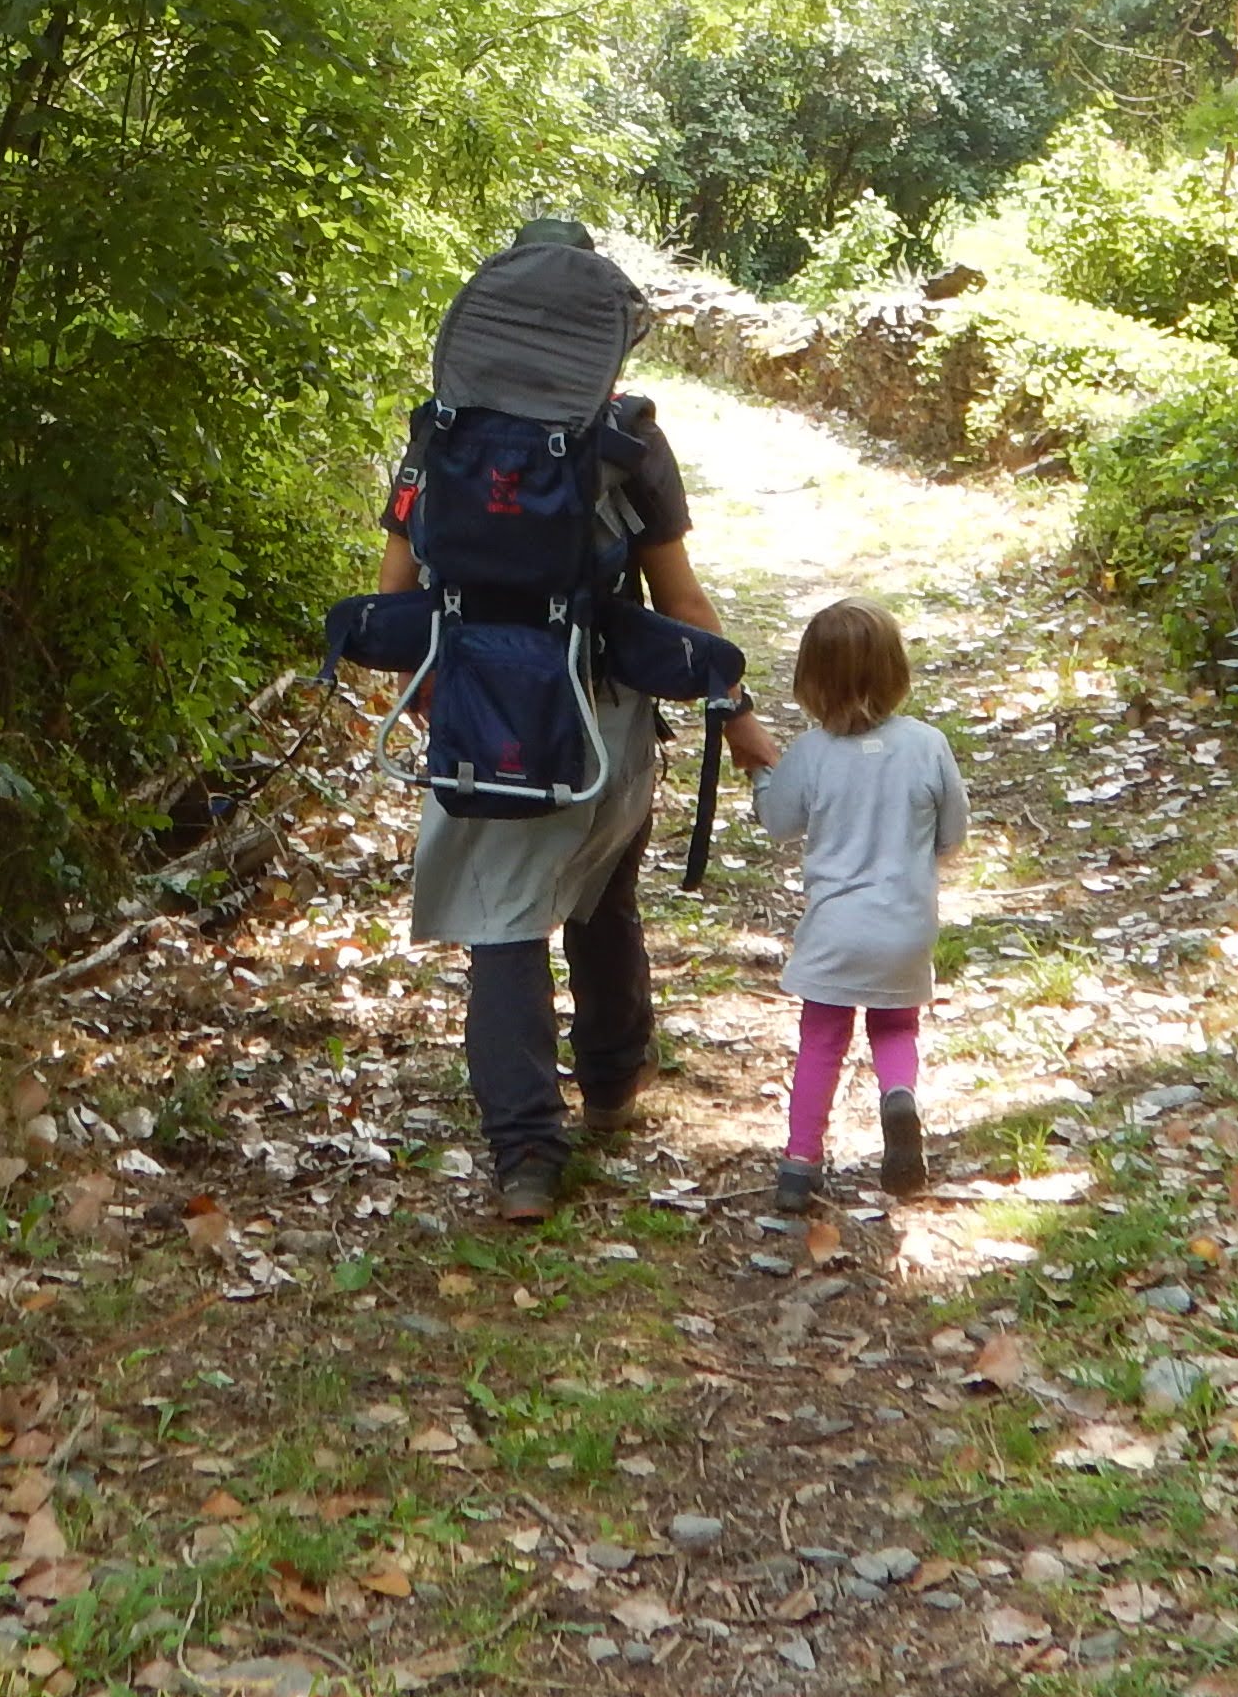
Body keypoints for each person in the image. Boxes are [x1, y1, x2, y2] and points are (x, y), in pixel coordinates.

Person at [384, 221, 771, 1225]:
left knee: (499, 926)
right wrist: (737, 717)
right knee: (601, 893)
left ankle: (523, 1156)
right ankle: (608, 1087)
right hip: (599, 717)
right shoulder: (629, 435)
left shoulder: (438, 434)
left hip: (477, 711)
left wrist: (443, 695)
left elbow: (396, 591)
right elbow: (681, 601)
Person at [747, 596, 965, 1211]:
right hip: (905, 924)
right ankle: (898, 1096)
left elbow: (778, 821)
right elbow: (954, 830)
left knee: (822, 1036)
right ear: (896, 672)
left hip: (837, 928)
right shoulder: (927, 745)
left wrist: (762, 774)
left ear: (810, 682)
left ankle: (799, 1161)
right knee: (895, 1025)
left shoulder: (812, 754)